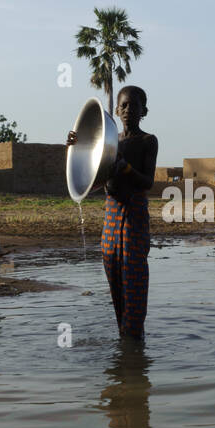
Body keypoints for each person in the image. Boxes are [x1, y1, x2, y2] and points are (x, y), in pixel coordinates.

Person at [67, 85, 158, 340]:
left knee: (133, 274)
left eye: (134, 106)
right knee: (114, 271)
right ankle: (124, 335)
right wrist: (77, 147)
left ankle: (134, 338)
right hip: (112, 215)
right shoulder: (110, 142)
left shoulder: (148, 141)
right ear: (116, 110)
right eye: (124, 105)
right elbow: (94, 178)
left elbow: (148, 182)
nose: (129, 110)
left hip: (134, 215)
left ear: (145, 111)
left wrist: (126, 169)